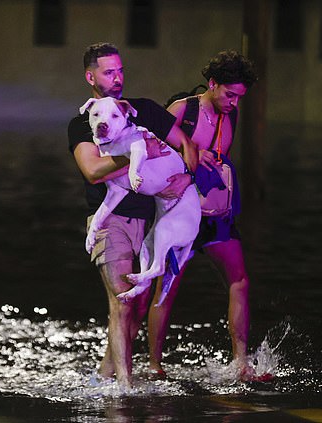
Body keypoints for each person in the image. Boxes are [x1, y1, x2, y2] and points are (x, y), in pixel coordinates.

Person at [67, 42, 198, 388]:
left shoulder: (143, 111)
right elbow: (93, 171)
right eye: (109, 72)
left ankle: (106, 373)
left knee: (138, 306)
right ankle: (124, 388)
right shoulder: (84, 124)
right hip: (111, 221)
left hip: (152, 217)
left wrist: (187, 176)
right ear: (90, 77)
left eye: (121, 70)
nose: (118, 77)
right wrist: (134, 152)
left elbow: (187, 144)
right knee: (122, 302)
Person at [149, 50, 258, 379]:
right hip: (181, 216)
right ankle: (154, 365)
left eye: (240, 97)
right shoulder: (184, 110)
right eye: (229, 94)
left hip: (215, 216)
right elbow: (152, 152)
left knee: (239, 281)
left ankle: (241, 363)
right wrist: (193, 153)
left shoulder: (232, 116)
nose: (234, 102)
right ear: (212, 84)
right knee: (166, 289)